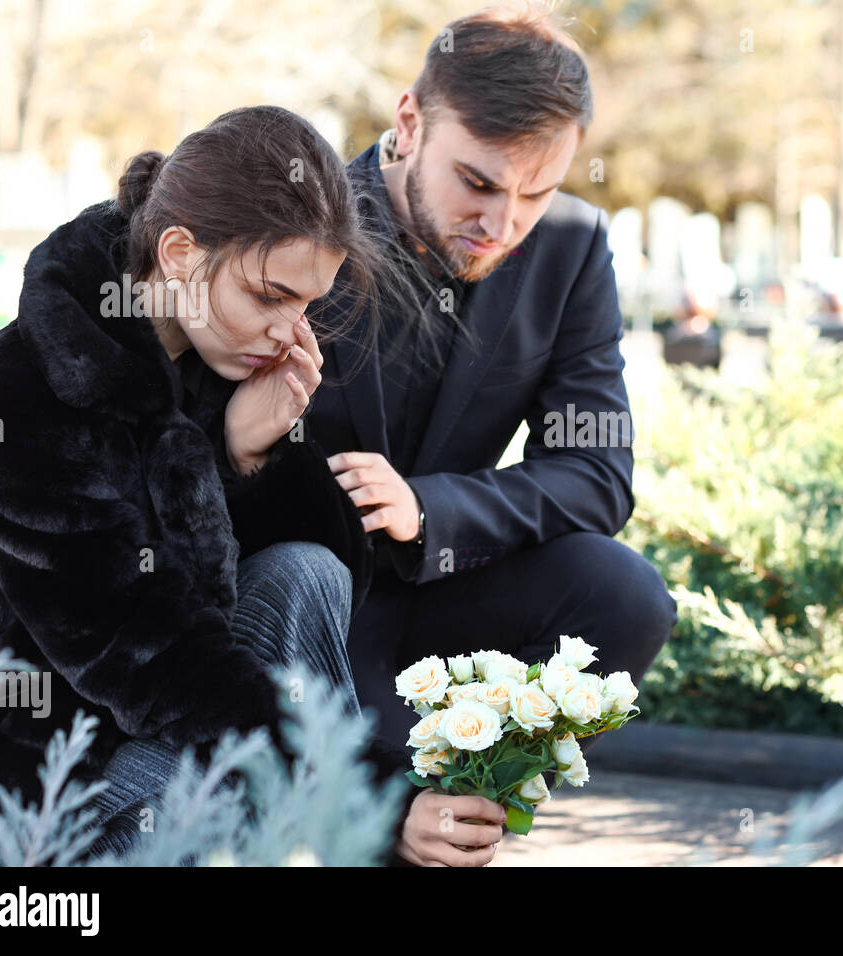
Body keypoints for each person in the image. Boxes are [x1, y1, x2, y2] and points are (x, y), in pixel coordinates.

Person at [0, 106, 504, 867]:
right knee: (228, 780)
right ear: (178, 251)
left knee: (305, 571)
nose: (290, 331)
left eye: (308, 305)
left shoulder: (222, 357)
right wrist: (372, 800)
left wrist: (245, 457)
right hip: (45, 784)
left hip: (165, 734)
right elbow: (148, 656)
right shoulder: (19, 399)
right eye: (271, 296)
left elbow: (336, 575)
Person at [305, 7, 679, 764]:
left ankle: (479, 785)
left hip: (450, 591)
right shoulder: (300, 222)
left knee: (625, 594)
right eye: (478, 182)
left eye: (537, 193)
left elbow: (596, 475)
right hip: (302, 610)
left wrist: (430, 510)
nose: (503, 224)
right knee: (380, 813)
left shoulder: (570, 248)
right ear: (409, 123)